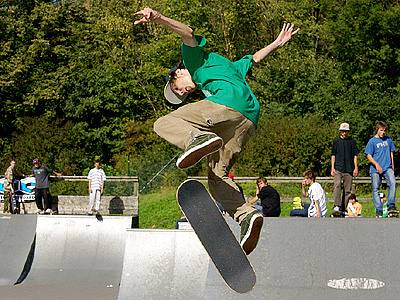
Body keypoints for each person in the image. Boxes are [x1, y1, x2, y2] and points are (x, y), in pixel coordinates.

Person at [134, 7, 299, 255]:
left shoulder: (194, 61)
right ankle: (246, 216)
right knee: (216, 176)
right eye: (182, 95)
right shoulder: (228, 67)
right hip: (248, 120)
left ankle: (197, 138)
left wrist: (159, 18)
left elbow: (187, 32)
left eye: (178, 89)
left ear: (178, 72)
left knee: (163, 124)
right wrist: (276, 43)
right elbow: (253, 59)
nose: (184, 92)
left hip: (227, 107)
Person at [364, 121, 397, 217]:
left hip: (387, 167)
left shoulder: (388, 140)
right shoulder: (372, 141)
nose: (383, 132)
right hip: (375, 168)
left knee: (393, 183)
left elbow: (391, 153)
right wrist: (377, 165)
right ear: (377, 130)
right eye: (381, 130)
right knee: (375, 189)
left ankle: (391, 205)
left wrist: (392, 166)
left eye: (384, 130)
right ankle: (379, 210)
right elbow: (368, 156)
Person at [331, 122, 359, 215]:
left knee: (348, 190)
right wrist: (332, 167)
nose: (344, 133)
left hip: (349, 168)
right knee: (337, 185)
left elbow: (355, 155)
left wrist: (356, 168)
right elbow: (333, 155)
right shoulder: (336, 141)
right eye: (343, 131)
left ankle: (345, 207)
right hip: (338, 167)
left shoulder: (352, 141)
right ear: (340, 131)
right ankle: (337, 205)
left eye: (346, 131)